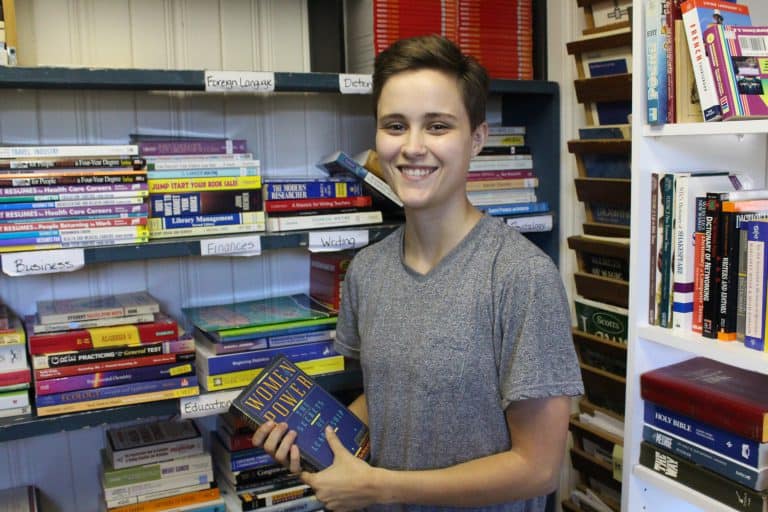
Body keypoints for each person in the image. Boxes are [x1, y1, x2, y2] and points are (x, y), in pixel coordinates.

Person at [252, 34, 584, 512]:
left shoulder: (521, 276)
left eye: (437, 126)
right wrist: (317, 440)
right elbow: (389, 399)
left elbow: (537, 467)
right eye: (395, 125)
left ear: (477, 139)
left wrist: (379, 487)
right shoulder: (366, 271)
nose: (412, 147)